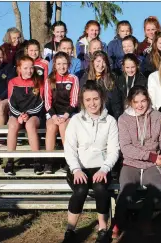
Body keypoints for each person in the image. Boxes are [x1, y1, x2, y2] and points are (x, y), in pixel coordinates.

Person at [62, 80, 119, 243]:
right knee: (80, 190)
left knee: (101, 188)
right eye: (88, 100)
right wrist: (76, 169)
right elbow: (70, 148)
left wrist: (105, 168)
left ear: (101, 98)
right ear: (82, 101)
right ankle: (70, 230)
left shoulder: (110, 121)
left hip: (101, 167)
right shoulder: (75, 121)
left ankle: (102, 230)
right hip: (79, 167)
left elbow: (114, 150)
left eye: (95, 99)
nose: (92, 103)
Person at [113, 85, 161, 238]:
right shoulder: (124, 119)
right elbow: (126, 148)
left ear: (148, 100)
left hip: (152, 164)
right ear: (130, 102)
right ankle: (117, 222)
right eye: (136, 102)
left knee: (157, 187)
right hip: (131, 162)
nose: (140, 105)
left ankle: (144, 220)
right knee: (126, 189)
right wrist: (153, 157)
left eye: (143, 101)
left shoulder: (157, 116)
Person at [4, 56, 44, 175]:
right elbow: (11, 103)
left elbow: (41, 103)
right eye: (25, 68)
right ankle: (10, 161)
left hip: (33, 114)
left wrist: (28, 114)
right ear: (19, 69)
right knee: (12, 126)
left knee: (30, 125)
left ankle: (37, 161)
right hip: (17, 114)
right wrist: (19, 116)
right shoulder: (13, 82)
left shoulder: (39, 82)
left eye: (31, 68)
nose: (29, 71)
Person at [44, 52, 79, 174]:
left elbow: (74, 101)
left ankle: (68, 160)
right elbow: (47, 102)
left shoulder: (73, 78)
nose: (62, 67)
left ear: (69, 64)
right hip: (54, 113)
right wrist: (53, 116)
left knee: (64, 127)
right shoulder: (49, 79)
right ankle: (49, 160)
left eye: (64, 64)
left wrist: (65, 116)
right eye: (59, 64)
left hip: (68, 113)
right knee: (51, 127)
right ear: (54, 65)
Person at [80, 50, 123, 120]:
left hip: (108, 116)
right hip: (89, 116)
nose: (101, 65)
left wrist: (116, 118)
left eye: (104, 62)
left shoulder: (111, 78)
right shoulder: (85, 79)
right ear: (93, 62)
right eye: (98, 61)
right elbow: (81, 100)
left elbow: (116, 102)